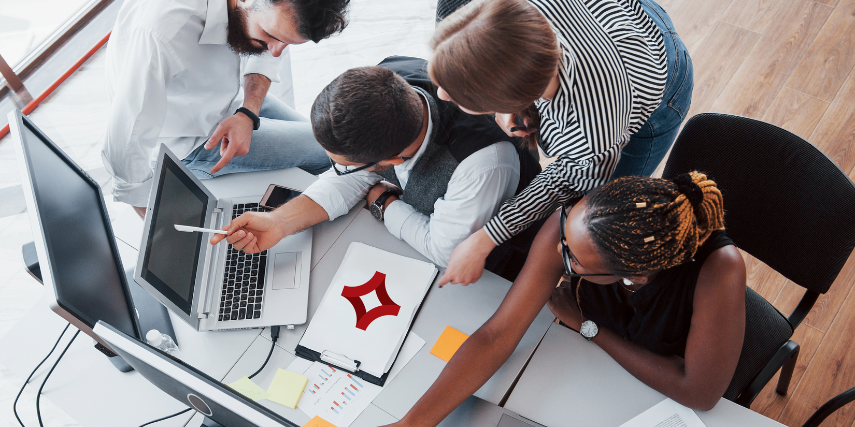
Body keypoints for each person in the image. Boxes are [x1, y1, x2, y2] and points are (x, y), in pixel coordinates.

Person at [385, 172, 746, 426]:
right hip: (580, 368)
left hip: (649, 394)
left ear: (632, 275)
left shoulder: (720, 270)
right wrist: (412, 423)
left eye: (573, 259)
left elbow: (699, 392)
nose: (558, 252)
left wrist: (590, 329)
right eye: (565, 237)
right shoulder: (583, 221)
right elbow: (497, 335)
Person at [428, 0, 694, 286]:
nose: (442, 94)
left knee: (604, 220)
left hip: (658, 71)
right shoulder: (517, 16)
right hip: (621, 14)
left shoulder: (590, 135)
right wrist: (509, 102)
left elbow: (561, 182)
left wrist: (485, 238)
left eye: (458, 96)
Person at [210, 57, 541, 273]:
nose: (338, 170)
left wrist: (384, 203)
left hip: (503, 260)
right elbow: (349, 179)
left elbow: (444, 250)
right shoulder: (387, 85)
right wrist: (279, 222)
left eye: (347, 165)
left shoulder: (481, 163)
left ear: (393, 161)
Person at [101, 0, 350, 218]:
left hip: (228, 102)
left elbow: (265, 49)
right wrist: (158, 227)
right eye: (269, 35)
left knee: (331, 139)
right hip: (191, 141)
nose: (275, 51)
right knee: (331, 151)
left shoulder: (261, 13)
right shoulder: (161, 33)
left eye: (286, 43)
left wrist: (248, 112)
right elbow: (122, 147)